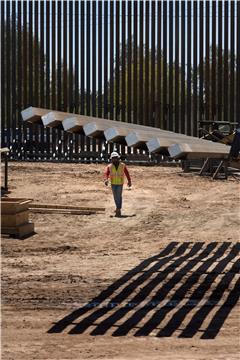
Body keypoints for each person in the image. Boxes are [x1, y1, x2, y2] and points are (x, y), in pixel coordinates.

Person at [104, 151, 132, 217]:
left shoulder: (122, 165)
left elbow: (127, 173)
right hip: (113, 183)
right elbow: (106, 173)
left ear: (118, 158)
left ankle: (118, 209)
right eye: (113, 158)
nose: (114, 159)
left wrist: (129, 181)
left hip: (120, 183)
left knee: (118, 196)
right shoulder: (109, 166)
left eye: (115, 158)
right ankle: (118, 207)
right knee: (115, 197)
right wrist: (106, 180)